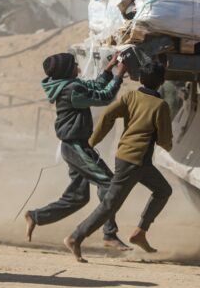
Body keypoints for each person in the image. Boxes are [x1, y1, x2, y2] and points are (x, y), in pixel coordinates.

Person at [64, 61, 173, 263]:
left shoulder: (130, 96)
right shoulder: (160, 106)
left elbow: (108, 114)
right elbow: (165, 140)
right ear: (161, 82)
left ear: (140, 79)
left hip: (130, 158)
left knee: (163, 190)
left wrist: (94, 139)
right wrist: (167, 144)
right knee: (110, 204)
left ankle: (140, 232)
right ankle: (75, 237)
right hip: (135, 162)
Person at [24, 52, 131, 251]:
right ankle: (108, 235)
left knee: (78, 198)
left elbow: (95, 86)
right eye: (74, 65)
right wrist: (118, 76)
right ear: (66, 70)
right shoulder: (71, 90)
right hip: (76, 147)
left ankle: (36, 216)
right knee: (109, 184)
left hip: (75, 146)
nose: (78, 67)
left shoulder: (68, 85)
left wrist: (109, 68)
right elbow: (104, 97)